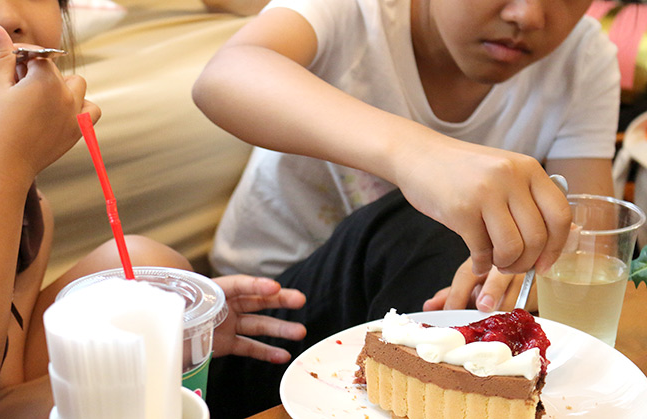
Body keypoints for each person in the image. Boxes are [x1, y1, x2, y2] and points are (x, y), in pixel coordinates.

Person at [192, 0, 619, 416]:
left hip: (420, 317)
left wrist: (513, 269)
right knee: (428, 226)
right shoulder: (357, 11)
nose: (527, 15)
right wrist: (420, 156)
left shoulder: (582, 57)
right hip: (262, 325)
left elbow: (587, 242)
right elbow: (224, 75)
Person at [0, 2, 305, 417]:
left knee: (143, 268)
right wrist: (4, 176)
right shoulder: (8, 181)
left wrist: (156, 348)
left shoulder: (30, 211)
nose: (7, 15)